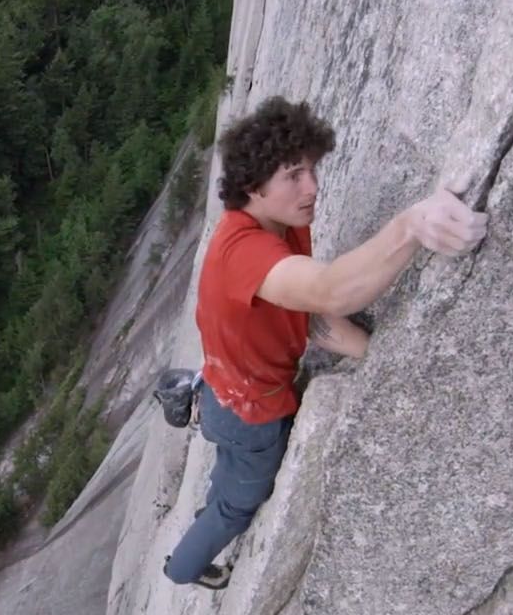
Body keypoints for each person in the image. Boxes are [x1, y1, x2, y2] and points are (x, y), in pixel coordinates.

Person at [162, 96, 489, 589]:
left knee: (228, 476)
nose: (312, 187)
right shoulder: (244, 253)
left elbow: (310, 311)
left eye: (312, 170)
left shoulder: (274, 225)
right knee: (234, 507)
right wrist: (411, 226)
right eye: (293, 175)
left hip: (229, 389)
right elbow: (329, 290)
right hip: (249, 413)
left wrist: (378, 355)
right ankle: (182, 569)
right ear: (253, 186)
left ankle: (200, 414)